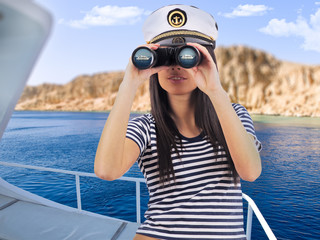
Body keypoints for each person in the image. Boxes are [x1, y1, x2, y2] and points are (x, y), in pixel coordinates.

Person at [95, 4, 262, 240]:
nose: (175, 65)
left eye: (186, 56)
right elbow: (106, 171)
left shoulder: (234, 114)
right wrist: (129, 84)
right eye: (165, 56)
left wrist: (215, 90)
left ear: (206, 59)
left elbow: (251, 172)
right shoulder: (145, 127)